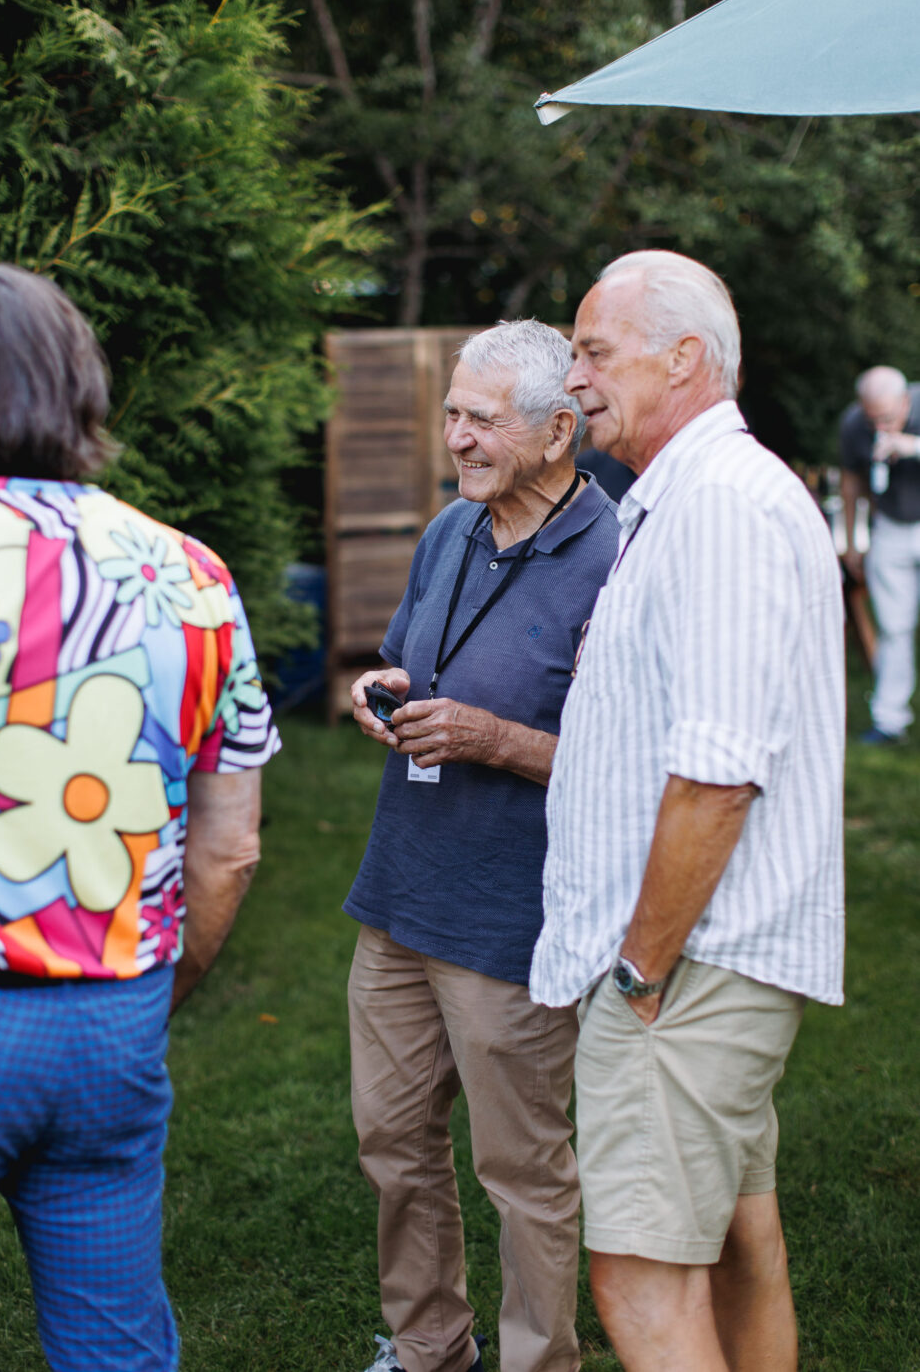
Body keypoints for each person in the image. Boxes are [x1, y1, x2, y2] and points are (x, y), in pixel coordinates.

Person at [0, 263, 279, 1370]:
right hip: (111, 1024)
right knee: (116, 1348)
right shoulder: (192, 574)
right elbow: (229, 849)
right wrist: (149, 994)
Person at [531, 251, 845, 1372]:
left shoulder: (716, 504)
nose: (572, 378)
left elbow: (717, 771)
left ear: (683, 359)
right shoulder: (685, 499)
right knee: (734, 1242)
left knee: (639, 1272)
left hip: (687, 966)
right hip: (701, 959)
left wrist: (640, 969)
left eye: (592, 351)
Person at [346, 319, 619, 1372]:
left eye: (482, 420)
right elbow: (412, 656)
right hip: (400, 894)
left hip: (514, 916)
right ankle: (429, 1346)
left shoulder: (615, 556)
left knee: (522, 1170)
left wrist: (495, 740)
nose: (456, 436)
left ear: (558, 432)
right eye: (452, 413)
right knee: (391, 1140)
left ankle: (539, 1361)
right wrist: (384, 690)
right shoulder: (448, 529)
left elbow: (629, 763)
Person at [839, 365, 920, 743]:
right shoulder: (854, 424)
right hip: (890, 526)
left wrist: (912, 446)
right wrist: (852, 540)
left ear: (905, 401)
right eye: (872, 419)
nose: (879, 426)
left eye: (887, 418)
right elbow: (851, 481)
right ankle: (889, 720)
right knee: (893, 626)